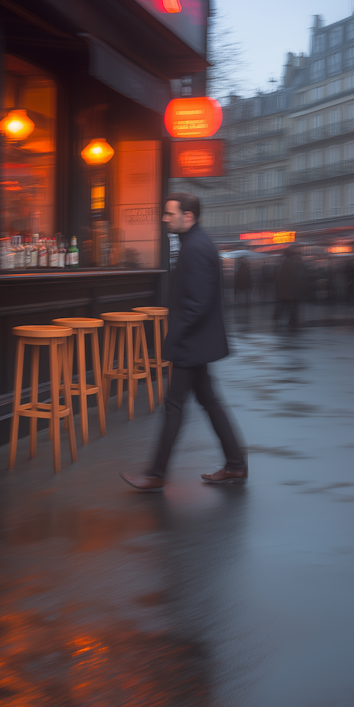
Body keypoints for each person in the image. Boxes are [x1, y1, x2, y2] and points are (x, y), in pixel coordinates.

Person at [120, 192, 247, 492]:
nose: (164, 218)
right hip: (196, 342)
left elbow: (197, 303)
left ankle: (156, 474)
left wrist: (172, 340)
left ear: (187, 216)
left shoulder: (196, 248)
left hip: (191, 342)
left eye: (169, 214)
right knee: (209, 402)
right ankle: (236, 464)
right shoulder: (195, 243)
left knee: (175, 406)